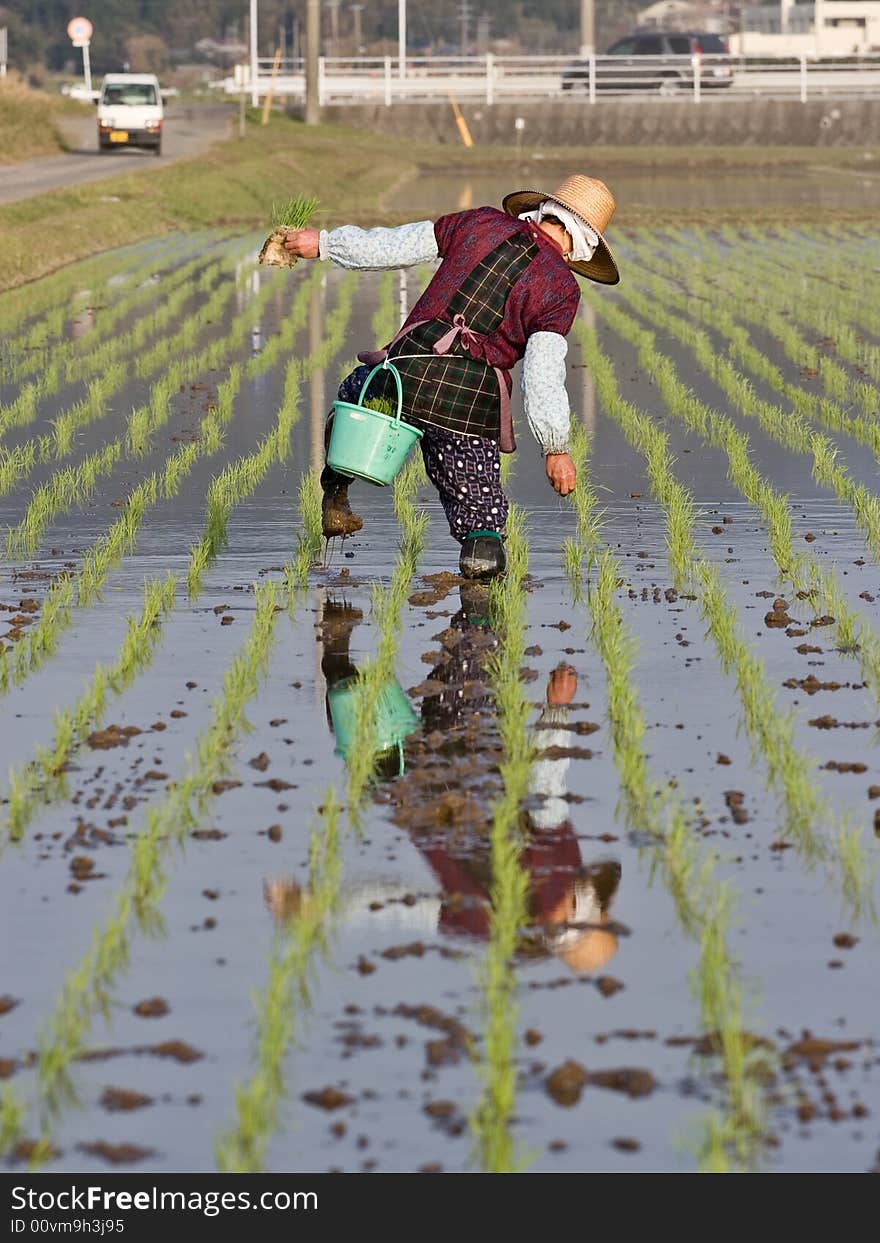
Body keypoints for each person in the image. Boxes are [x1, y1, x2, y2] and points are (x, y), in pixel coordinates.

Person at [282, 174, 620, 580]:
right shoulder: (561, 288)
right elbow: (543, 371)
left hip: (407, 373)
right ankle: (479, 616)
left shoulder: (480, 222)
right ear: (583, 243)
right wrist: (555, 447)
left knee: (357, 396)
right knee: (482, 519)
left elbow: (395, 245)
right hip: (468, 407)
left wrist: (323, 243)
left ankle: (336, 489)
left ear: (544, 211)